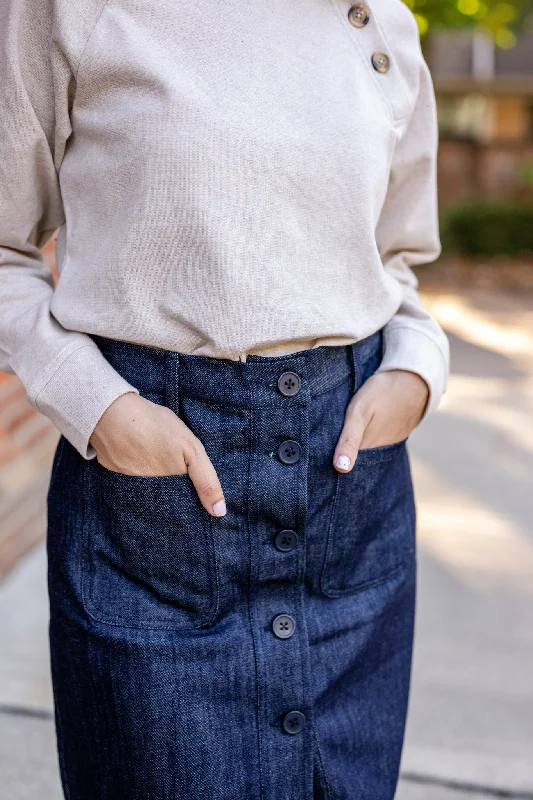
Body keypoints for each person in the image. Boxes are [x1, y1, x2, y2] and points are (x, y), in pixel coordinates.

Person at [0, 0, 449, 797]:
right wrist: (99, 408)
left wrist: (415, 372)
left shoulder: (377, 19)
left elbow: (395, 262)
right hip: (151, 510)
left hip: (352, 500)